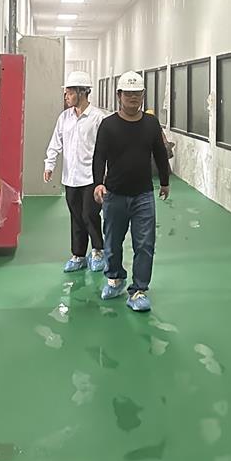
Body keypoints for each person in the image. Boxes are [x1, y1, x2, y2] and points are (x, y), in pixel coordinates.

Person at [92, 71, 171, 312]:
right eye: (128, 93)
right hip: (114, 194)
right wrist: (98, 183)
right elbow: (99, 156)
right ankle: (115, 278)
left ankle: (138, 290)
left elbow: (160, 153)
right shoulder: (108, 125)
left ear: (143, 95)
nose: (133, 97)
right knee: (112, 242)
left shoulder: (151, 124)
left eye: (137, 93)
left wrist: (165, 181)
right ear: (119, 95)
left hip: (143, 195)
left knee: (145, 244)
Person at [43, 70, 105, 273]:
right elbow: (56, 142)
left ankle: (98, 250)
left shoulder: (97, 118)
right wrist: (49, 165)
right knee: (76, 216)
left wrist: (106, 177)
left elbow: (106, 149)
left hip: (91, 177)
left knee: (90, 214)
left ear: (82, 92)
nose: (66, 97)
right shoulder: (64, 118)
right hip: (70, 177)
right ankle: (78, 255)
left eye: (69, 93)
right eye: (66, 93)